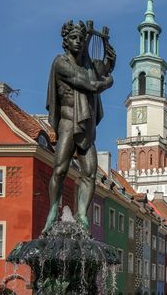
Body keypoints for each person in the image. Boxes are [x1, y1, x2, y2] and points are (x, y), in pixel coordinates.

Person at [42, 20, 115, 234]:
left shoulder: (88, 65)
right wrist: (107, 83)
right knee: (60, 169)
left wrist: (108, 47)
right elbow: (89, 83)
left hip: (86, 128)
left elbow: (107, 65)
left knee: (90, 172)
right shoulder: (61, 63)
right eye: (74, 38)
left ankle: (82, 214)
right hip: (67, 122)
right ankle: (54, 209)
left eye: (81, 39)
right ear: (65, 41)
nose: (79, 42)